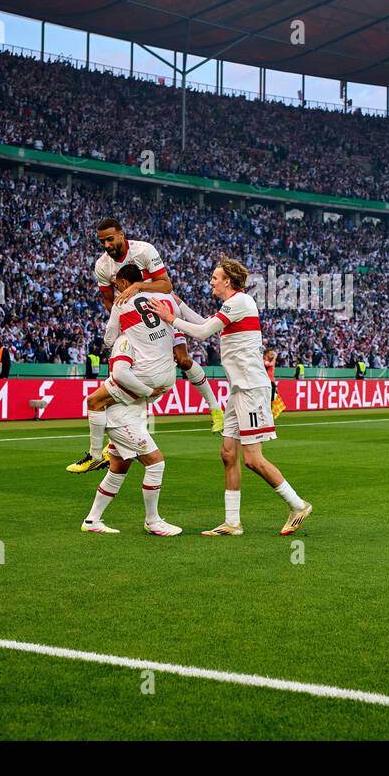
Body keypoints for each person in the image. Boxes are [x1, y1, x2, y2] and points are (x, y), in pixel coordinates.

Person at [156, 256, 312, 537]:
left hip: (252, 389)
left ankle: (298, 505)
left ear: (227, 280)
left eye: (215, 278)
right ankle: (232, 523)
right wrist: (177, 305)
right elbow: (205, 323)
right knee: (229, 453)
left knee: (253, 459)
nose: (211, 282)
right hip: (240, 390)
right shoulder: (232, 307)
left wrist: (171, 317)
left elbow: (203, 332)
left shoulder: (240, 302)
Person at [87, 218, 222, 443]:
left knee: (183, 359)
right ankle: (123, 435)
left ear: (121, 235)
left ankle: (215, 409)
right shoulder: (102, 266)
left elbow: (167, 286)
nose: (106, 245)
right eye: (102, 241)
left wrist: (138, 286)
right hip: (137, 324)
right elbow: (109, 301)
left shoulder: (144, 250)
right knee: (132, 373)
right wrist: (125, 322)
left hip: (162, 313)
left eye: (110, 239)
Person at [80, 263, 181, 537]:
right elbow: (118, 375)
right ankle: (153, 521)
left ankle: (92, 521)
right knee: (156, 463)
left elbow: (109, 336)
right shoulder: (136, 333)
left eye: (117, 286)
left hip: (132, 411)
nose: (116, 293)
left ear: (124, 283)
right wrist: (150, 390)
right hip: (121, 415)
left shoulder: (124, 327)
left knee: (119, 468)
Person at [263, 348, 284, 418]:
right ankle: (267, 416)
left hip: (271, 383)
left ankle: (269, 416)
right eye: (271, 354)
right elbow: (271, 364)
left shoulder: (269, 362)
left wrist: (275, 386)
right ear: (266, 354)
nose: (272, 355)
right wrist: (275, 357)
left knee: (272, 400)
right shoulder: (264, 361)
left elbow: (272, 375)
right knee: (267, 400)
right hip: (266, 383)